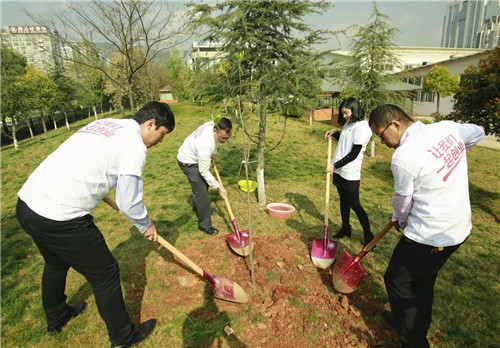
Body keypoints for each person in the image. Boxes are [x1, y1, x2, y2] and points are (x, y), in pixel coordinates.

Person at [16, 101, 175, 348]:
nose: (161, 141)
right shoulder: (134, 147)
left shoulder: (106, 124)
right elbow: (128, 202)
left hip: (28, 204)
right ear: (151, 124)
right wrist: (146, 225)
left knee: (56, 262)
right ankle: (123, 337)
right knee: (106, 273)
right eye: (162, 134)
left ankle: (57, 316)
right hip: (59, 216)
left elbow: (82, 156)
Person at [368, 104, 484, 348]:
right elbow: (478, 132)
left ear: (395, 125)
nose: (382, 142)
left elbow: (402, 202)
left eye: (380, 135)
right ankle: (408, 320)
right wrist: (451, 159)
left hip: (429, 235)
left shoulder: (403, 156)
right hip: (459, 229)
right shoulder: (447, 128)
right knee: (423, 279)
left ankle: (414, 341)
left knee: (397, 281)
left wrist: (399, 220)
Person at [325, 97, 374, 247]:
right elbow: (345, 143)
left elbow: (354, 153)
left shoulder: (362, 127)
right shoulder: (348, 124)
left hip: (350, 172)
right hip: (340, 170)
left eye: (347, 113)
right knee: (343, 201)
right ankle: (346, 228)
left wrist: (335, 165)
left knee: (355, 204)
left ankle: (368, 235)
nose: (345, 116)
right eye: (343, 113)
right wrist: (335, 132)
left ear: (354, 109)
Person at [177, 117, 232, 235]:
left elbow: (214, 144)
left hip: (195, 154)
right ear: (215, 131)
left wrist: (213, 153)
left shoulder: (212, 124)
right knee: (201, 191)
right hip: (188, 162)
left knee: (204, 185)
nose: (224, 141)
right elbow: (204, 171)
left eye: (228, 138)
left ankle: (200, 208)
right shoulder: (205, 144)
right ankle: (205, 225)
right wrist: (219, 187)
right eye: (222, 138)